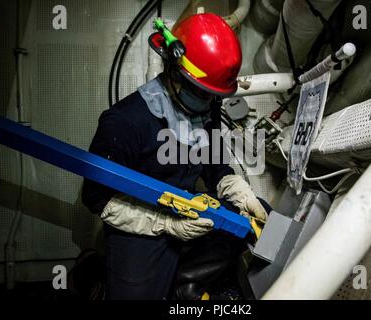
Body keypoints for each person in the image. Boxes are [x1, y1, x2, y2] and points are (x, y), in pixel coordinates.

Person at [81, 13, 270, 300]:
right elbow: (96, 198)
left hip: (187, 208)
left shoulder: (207, 108)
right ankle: (103, 281)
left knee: (253, 218)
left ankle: (187, 285)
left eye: (212, 95)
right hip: (141, 225)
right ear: (173, 69)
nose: (207, 103)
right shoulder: (124, 122)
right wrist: (167, 225)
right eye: (199, 92)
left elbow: (215, 168)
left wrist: (243, 194)